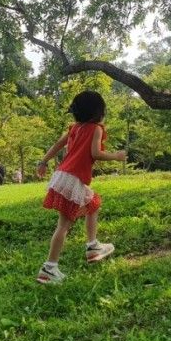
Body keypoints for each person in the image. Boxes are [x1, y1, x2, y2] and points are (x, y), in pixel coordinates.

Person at [35, 90, 127, 284]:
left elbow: (57, 145)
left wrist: (43, 162)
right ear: (98, 111)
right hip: (73, 179)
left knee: (93, 204)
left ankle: (93, 247)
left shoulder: (74, 128)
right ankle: (49, 268)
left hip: (63, 176)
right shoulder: (96, 128)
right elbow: (96, 154)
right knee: (64, 225)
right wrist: (116, 156)